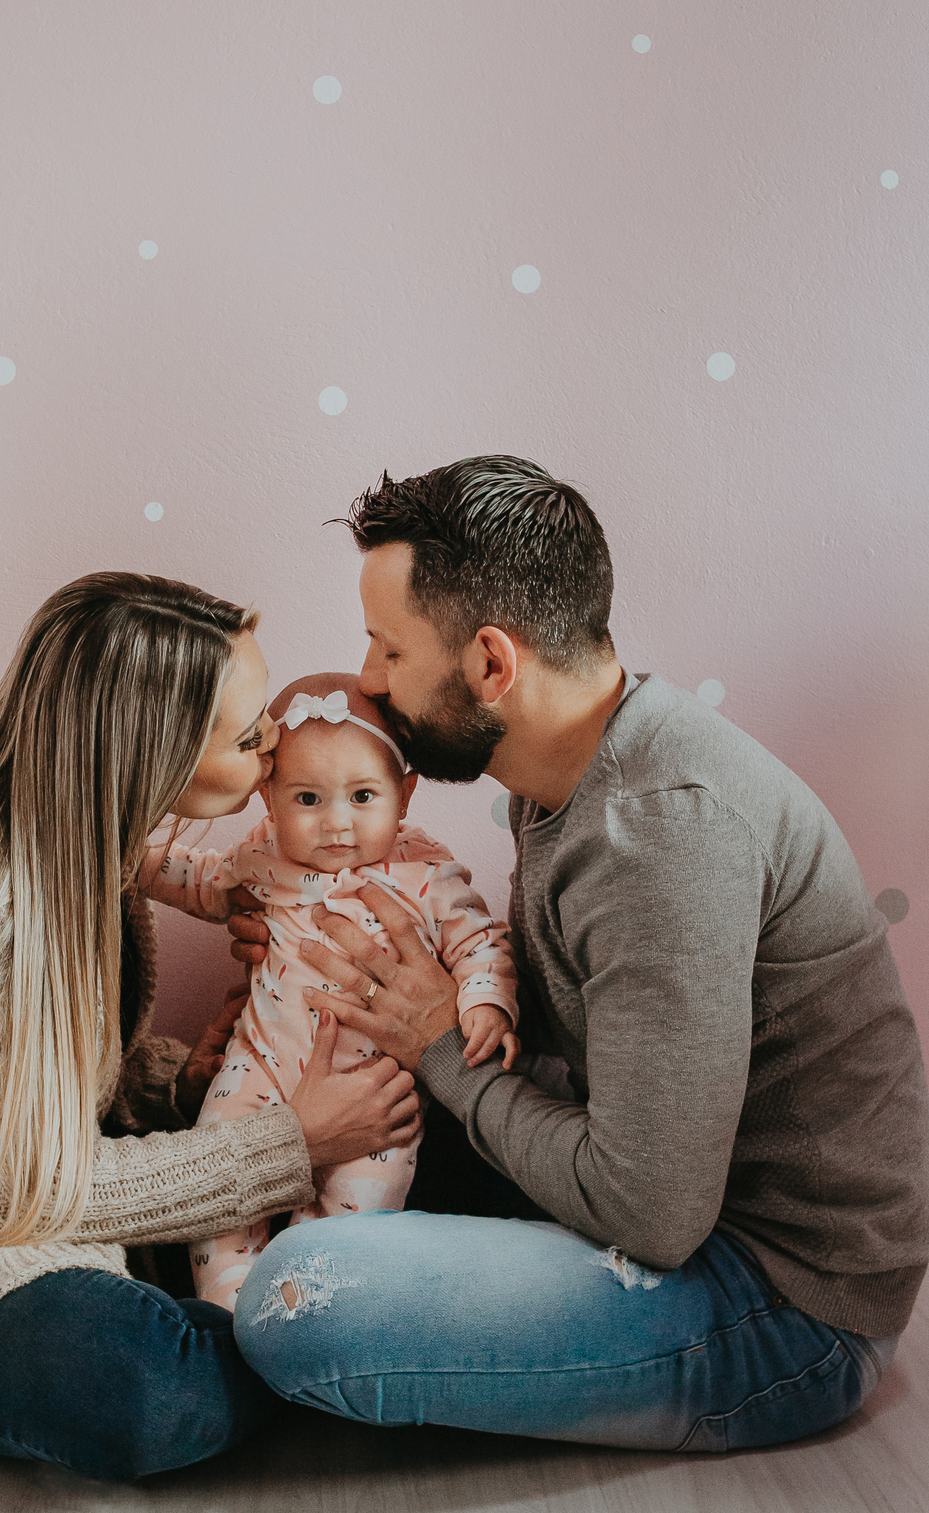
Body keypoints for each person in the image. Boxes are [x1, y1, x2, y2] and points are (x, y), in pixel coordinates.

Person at [231, 456, 929, 1452]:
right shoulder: (566, 767)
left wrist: (439, 1046)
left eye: (388, 648)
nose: (370, 681)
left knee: (297, 1300)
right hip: (649, 1183)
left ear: (491, 665)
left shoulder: (659, 838)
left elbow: (652, 1216)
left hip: (775, 1300)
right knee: (318, 1124)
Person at [0, 573, 420, 1482]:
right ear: (156, 750)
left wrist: (179, 1084)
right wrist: (292, 1142)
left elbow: (37, 1075)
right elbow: (7, 1191)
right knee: (145, 1388)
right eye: (248, 735)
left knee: (410, 1124)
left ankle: (317, 1318)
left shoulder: (85, 837)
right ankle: (347, 1331)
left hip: (51, 1195)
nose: (272, 748)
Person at [141, 671, 519, 1308]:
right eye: (308, 799)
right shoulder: (262, 857)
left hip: (373, 1092)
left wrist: (485, 999)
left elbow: (479, 940)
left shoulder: (427, 874)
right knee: (219, 1194)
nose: (336, 823)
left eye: (363, 796)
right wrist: (128, 857)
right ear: (268, 798)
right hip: (258, 1066)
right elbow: (199, 880)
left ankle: (299, 1315)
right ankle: (226, 1311)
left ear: (405, 793)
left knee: (351, 1221)